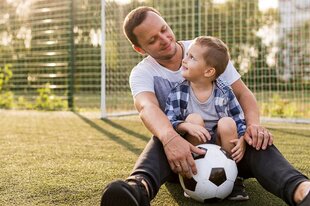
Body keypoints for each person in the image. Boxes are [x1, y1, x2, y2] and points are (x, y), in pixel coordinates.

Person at [101, 6, 310, 206]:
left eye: (164, 29)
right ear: (140, 49)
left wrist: (253, 126)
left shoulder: (205, 50)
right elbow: (147, 108)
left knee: (257, 140)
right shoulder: (142, 73)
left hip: (230, 147)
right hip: (183, 157)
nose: (164, 39)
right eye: (153, 40)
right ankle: (137, 190)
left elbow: (243, 93)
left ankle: (302, 191)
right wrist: (172, 139)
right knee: (162, 136)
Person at [165, 36, 246, 164]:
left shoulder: (224, 91)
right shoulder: (178, 92)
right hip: (196, 144)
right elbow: (169, 120)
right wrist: (185, 126)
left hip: (220, 143)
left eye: (191, 57)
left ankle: (230, 169)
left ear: (208, 71)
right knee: (194, 119)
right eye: (187, 55)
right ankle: (194, 169)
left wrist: (242, 139)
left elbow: (239, 118)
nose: (184, 60)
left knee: (228, 123)